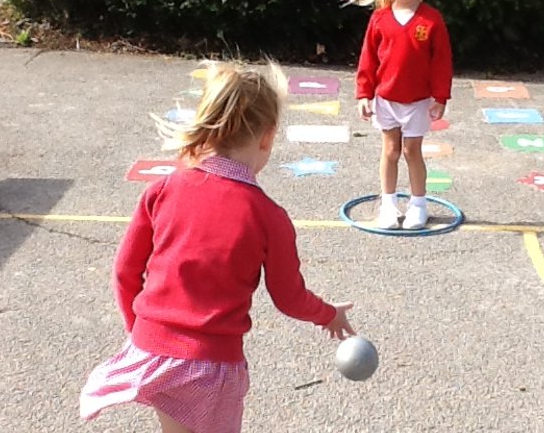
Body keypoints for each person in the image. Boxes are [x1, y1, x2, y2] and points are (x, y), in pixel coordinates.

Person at [79, 61, 355, 433]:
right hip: (213, 365)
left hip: (153, 351)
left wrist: (140, 336)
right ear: (267, 136)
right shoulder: (268, 216)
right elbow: (289, 297)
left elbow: (126, 271)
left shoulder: (163, 189)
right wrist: (328, 314)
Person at [353, 0, 453, 230]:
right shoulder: (379, 19)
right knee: (390, 150)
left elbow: (441, 61)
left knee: (412, 151)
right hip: (386, 99)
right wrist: (364, 93)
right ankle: (388, 205)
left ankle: (417, 205)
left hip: (418, 102)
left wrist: (440, 96)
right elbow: (368, 59)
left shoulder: (431, 20)